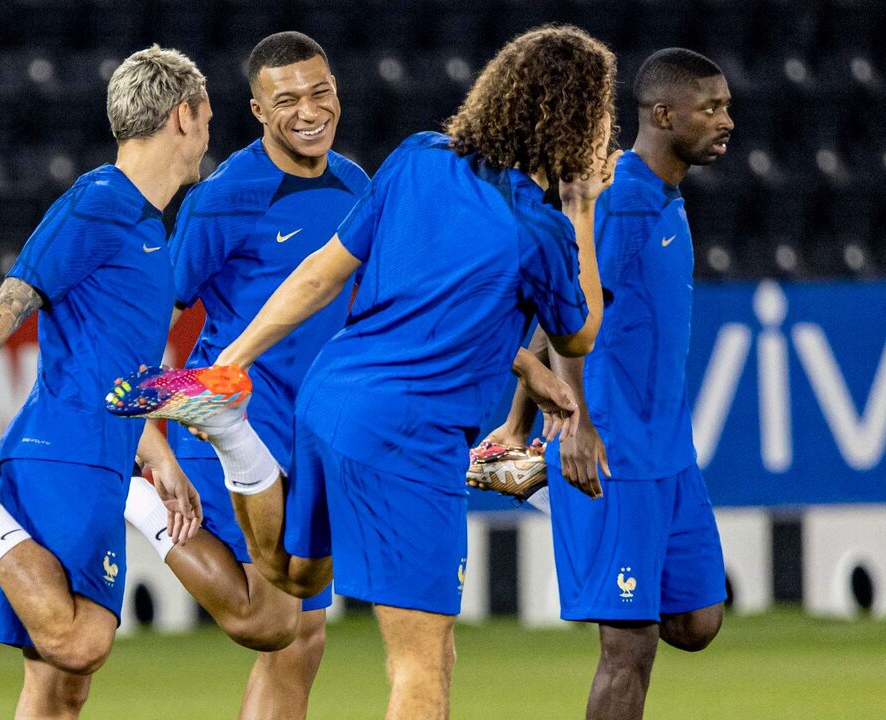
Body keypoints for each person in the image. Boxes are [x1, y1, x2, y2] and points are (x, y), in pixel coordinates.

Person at [182, 25, 617, 719]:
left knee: (294, 577)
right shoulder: (540, 227)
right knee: (423, 665)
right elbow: (582, 329)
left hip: (329, 399)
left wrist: (229, 364)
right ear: (582, 123)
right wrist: (584, 206)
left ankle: (233, 433)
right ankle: (231, 432)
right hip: (409, 435)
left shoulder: (417, 157)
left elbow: (322, 272)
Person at [0, 45, 208, 719]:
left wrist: (155, 447)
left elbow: (124, 361)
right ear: (180, 118)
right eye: (205, 118)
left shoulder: (147, 226)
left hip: (103, 459)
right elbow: (14, 297)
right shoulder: (100, 201)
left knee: (58, 689)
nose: (207, 135)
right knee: (80, 643)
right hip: (64, 452)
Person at [123, 32, 368, 720]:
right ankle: (136, 498)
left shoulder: (357, 186)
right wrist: (153, 442)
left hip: (310, 437)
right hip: (233, 424)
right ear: (259, 111)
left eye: (320, 92)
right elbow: (148, 315)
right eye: (286, 99)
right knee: (271, 621)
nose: (308, 110)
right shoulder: (226, 195)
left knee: (302, 640)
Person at [544, 48, 733, 720]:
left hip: (669, 455)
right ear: (663, 114)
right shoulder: (618, 204)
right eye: (711, 107)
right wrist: (572, 422)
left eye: (725, 105)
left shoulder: (667, 199)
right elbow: (561, 311)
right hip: (612, 451)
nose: (726, 119)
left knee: (698, 621)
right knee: (629, 647)